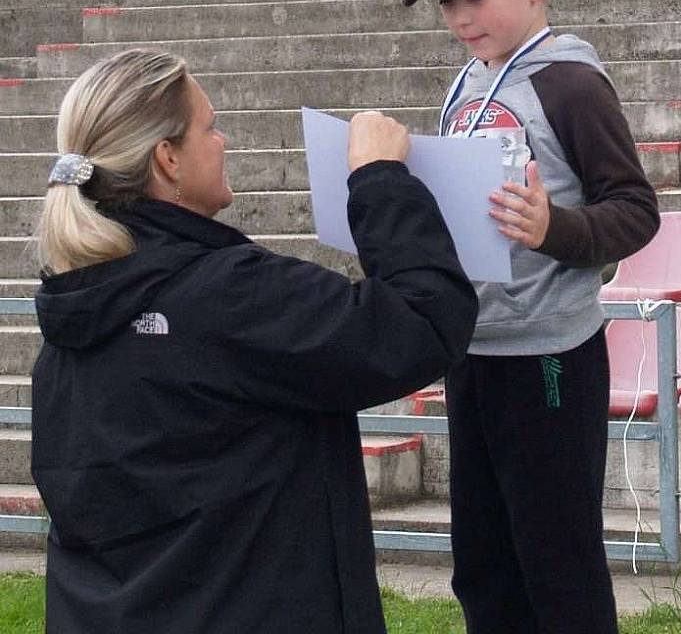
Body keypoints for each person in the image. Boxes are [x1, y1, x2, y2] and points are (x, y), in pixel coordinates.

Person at [31, 48, 478, 633]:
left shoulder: (74, 311)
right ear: (167, 158)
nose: (222, 141)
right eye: (209, 127)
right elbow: (423, 321)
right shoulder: (228, 295)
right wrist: (380, 180)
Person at [402, 0, 660, 634]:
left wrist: (555, 229)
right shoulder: (467, 82)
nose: (458, 18)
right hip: (472, 348)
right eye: (445, 2)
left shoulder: (571, 83)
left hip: (548, 356)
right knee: (482, 560)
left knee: (558, 560)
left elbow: (636, 210)